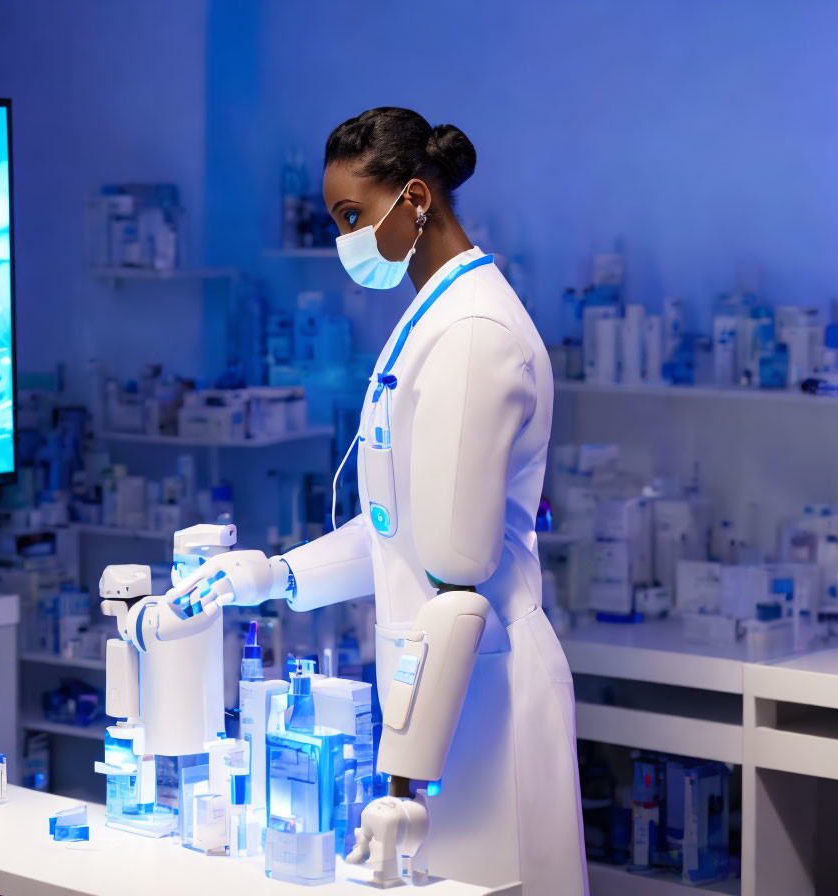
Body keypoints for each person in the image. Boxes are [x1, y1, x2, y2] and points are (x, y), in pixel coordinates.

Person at [169, 107, 587, 894]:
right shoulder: (431, 317)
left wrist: (402, 785)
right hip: (443, 698)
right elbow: (402, 533)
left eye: (353, 216)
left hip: (479, 695)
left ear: (418, 199)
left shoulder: (472, 332)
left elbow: (457, 582)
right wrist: (269, 577)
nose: (345, 241)